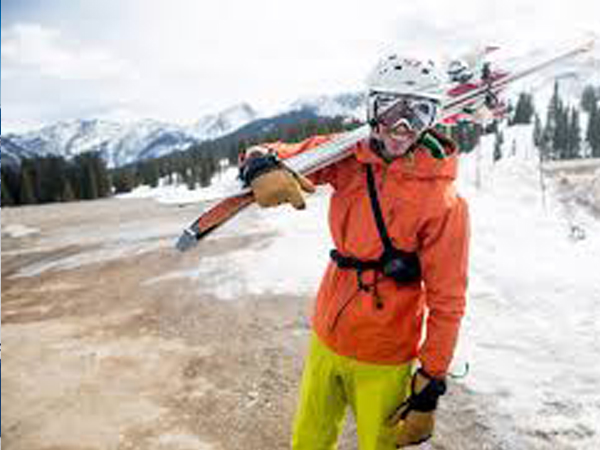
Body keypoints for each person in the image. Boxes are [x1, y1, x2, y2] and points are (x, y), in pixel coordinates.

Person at [239, 54, 470, 449]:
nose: (402, 126)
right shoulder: (350, 158)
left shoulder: (444, 202)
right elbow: (284, 153)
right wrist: (258, 162)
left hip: (385, 353)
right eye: (390, 108)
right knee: (308, 440)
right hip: (327, 335)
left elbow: (448, 299)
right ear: (371, 109)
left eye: (418, 113)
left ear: (434, 119)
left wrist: (430, 381)